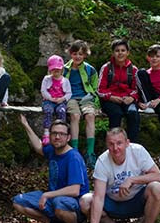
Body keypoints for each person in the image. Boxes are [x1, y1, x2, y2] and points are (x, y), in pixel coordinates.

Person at [80, 127, 160, 223]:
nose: (115, 148)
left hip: (137, 200)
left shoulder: (138, 151)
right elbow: (98, 197)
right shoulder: (102, 161)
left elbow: (158, 176)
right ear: (107, 145)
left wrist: (131, 180)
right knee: (85, 201)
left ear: (127, 143)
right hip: (112, 204)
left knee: (157, 188)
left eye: (119, 143)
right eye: (111, 144)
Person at [13, 116, 89, 223]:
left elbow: (75, 190)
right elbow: (39, 147)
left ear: (68, 137)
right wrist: (26, 124)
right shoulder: (53, 150)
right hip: (53, 199)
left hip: (73, 204)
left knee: (59, 203)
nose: (57, 137)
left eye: (61, 134)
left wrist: (48, 195)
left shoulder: (73, 157)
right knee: (18, 202)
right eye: (54, 133)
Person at [136, 44, 160, 164]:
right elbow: (138, 90)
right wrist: (139, 103)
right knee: (140, 72)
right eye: (151, 56)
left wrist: (159, 100)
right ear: (148, 58)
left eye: (157, 56)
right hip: (149, 100)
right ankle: (148, 105)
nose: (154, 59)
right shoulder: (146, 73)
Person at [63, 40, 99, 168]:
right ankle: (75, 150)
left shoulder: (90, 69)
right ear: (70, 54)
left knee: (90, 115)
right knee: (75, 116)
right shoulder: (64, 69)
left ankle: (90, 152)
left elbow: (95, 86)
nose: (77, 56)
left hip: (86, 97)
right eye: (75, 53)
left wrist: (94, 98)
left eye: (80, 54)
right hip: (70, 98)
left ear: (84, 55)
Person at [97, 39, 140, 142]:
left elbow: (137, 89)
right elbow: (100, 89)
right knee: (116, 113)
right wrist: (111, 97)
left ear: (127, 52)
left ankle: (131, 144)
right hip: (110, 99)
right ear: (113, 52)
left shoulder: (133, 70)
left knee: (133, 113)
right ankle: (114, 143)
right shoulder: (107, 68)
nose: (120, 53)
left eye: (123, 50)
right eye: (117, 50)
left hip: (127, 98)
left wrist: (132, 97)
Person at [40, 55, 71, 145]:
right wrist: (50, 98)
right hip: (49, 100)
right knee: (48, 110)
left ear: (62, 70)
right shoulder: (47, 79)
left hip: (60, 101)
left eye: (58, 70)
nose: (56, 72)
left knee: (61, 111)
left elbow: (69, 93)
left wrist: (62, 99)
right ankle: (46, 133)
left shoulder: (65, 81)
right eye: (53, 70)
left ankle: (62, 132)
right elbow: (43, 90)